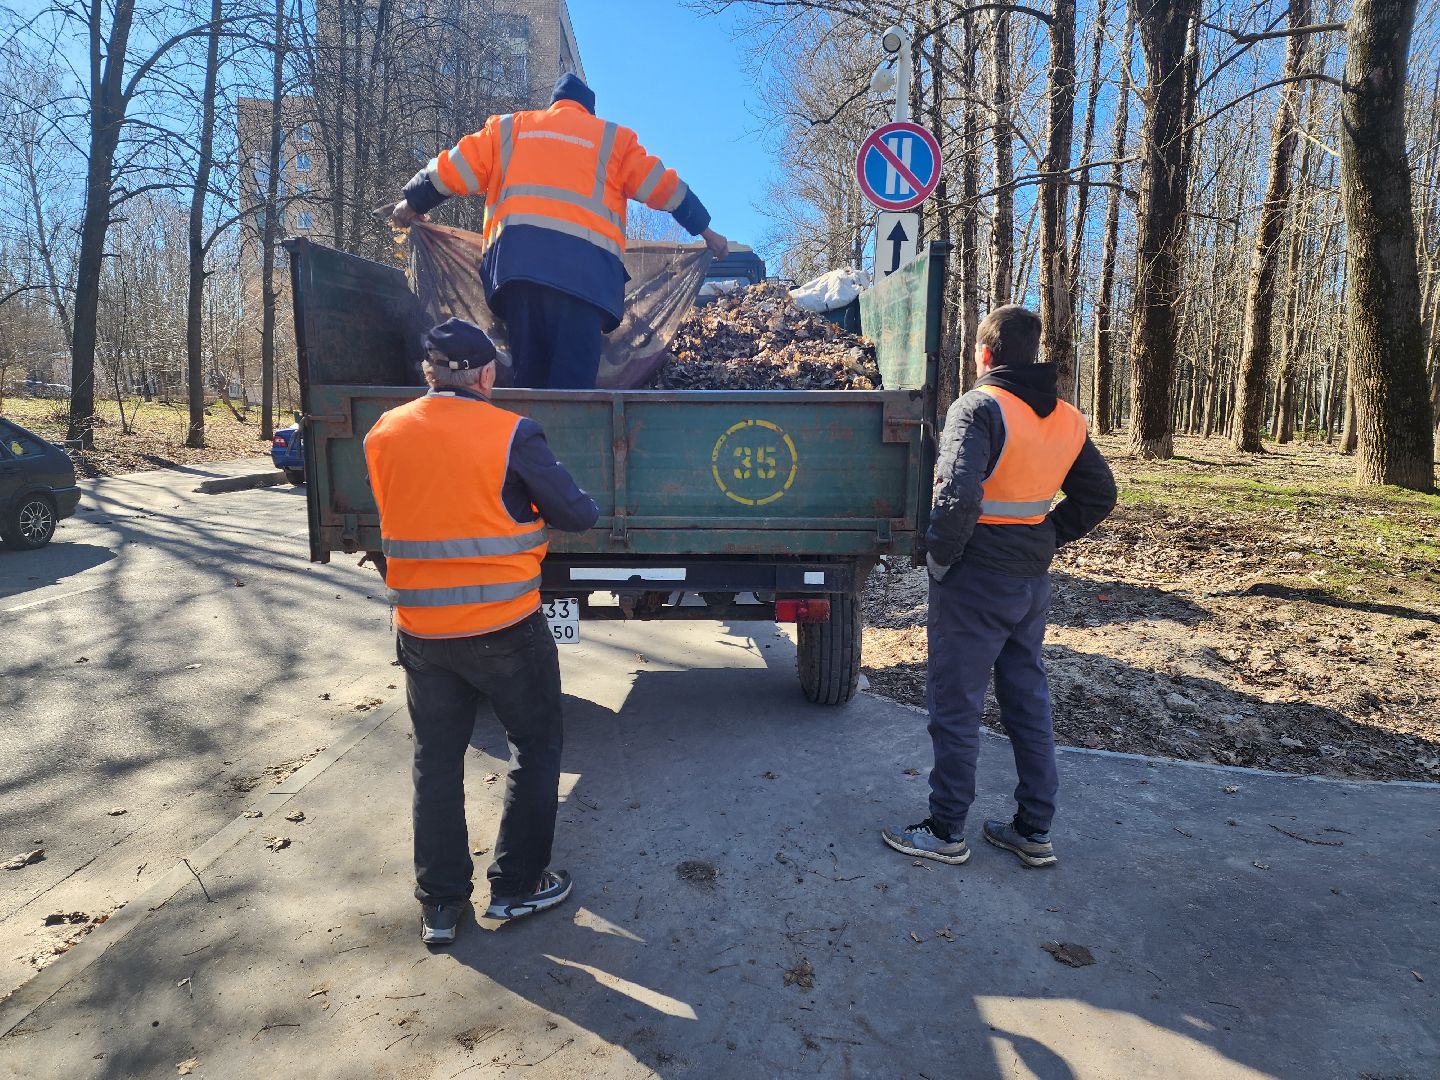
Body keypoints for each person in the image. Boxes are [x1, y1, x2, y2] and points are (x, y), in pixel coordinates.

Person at [363, 317, 600, 945]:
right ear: (487, 375)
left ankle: (441, 906)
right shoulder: (511, 432)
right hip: (505, 627)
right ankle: (516, 888)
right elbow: (575, 513)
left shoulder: (383, 433)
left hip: (422, 631)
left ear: (429, 372)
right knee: (535, 746)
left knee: (436, 761)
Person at [881, 305, 1116, 870]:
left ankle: (945, 829)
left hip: (976, 579)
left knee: (956, 703)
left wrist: (940, 557)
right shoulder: (1068, 419)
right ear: (1032, 354)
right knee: (1027, 700)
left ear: (984, 354)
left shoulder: (979, 407)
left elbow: (957, 495)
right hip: (1029, 582)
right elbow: (1100, 495)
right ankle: (1033, 829)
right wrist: (1047, 535)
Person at [390, 73, 729, 390]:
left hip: (517, 274)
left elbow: (453, 167)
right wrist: (706, 230)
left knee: (529, 377)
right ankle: (568, 431)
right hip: (586, 283)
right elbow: (664, 187)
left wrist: (411, 203)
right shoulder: (612, 141)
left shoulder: (509, 130)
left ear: (553, 104)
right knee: (572, 389)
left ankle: (531, 429)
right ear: (589, 111)